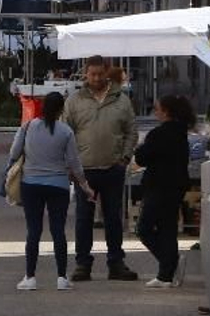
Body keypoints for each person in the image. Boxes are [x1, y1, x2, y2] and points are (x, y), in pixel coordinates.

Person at [8, 92, 94, 292]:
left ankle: (30, 277)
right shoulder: (66, 132)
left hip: (31, 183)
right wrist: (85, 185)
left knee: (34, 231)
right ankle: (62, 277)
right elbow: (74, 162)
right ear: (61, 110)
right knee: (58, 231)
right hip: (58, 185)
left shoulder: (28, 127)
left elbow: (14, 153)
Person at [65, 56, 139, 282]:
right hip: (84, 170)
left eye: (100, 74)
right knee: (83, 219)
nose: (96, 78)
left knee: (113, 218)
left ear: (107, 72)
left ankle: (116, 262)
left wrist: (124, 158)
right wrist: (70, 164)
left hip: (112, 168)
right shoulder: (75, 101)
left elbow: (131, 131)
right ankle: (82, 264)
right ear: (85, 74)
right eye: (92, 74)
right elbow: (66, 134)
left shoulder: (122, 100)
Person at [134, 95, 195, 289]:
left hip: (158, 186)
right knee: (167, 228)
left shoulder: (159, 134)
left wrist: (140, 149)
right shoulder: (181, 133)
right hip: (175, 186)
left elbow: (142, 157)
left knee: (144, 228)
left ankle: (169, 263)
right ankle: (166, 274)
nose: (155, 112)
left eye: (157, 109)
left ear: (166, 111)